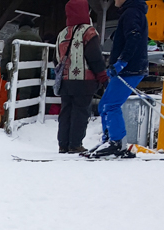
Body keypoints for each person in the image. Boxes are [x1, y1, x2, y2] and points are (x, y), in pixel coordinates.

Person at [86, 0, 148, 158]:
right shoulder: (131, 12)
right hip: (126, 68)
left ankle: (117, 143)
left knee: (111, 105)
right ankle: (109, 140)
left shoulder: (131, 12)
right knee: (104, 105)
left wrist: (122, 62)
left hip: (130, 69)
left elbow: (134, 37)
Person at [56, 0, 108, 153]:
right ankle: (75, 144)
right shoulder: (89, 32)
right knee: (80, 112)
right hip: (84, 81)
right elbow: (95, 57)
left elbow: (55, 59)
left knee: (66, 112)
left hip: (65, 81)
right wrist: (102, 76)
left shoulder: (62, 33)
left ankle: (63, 144)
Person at [0, 17, 43, 120]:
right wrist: (37, 72)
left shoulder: (12, 38)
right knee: (24, 98)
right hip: (29, 74)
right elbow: (40, 57)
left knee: (11, 97)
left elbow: (5, 56)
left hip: (13, 73)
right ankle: (21, 120)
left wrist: (4, 72)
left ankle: (7, 119)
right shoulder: (37, 39)